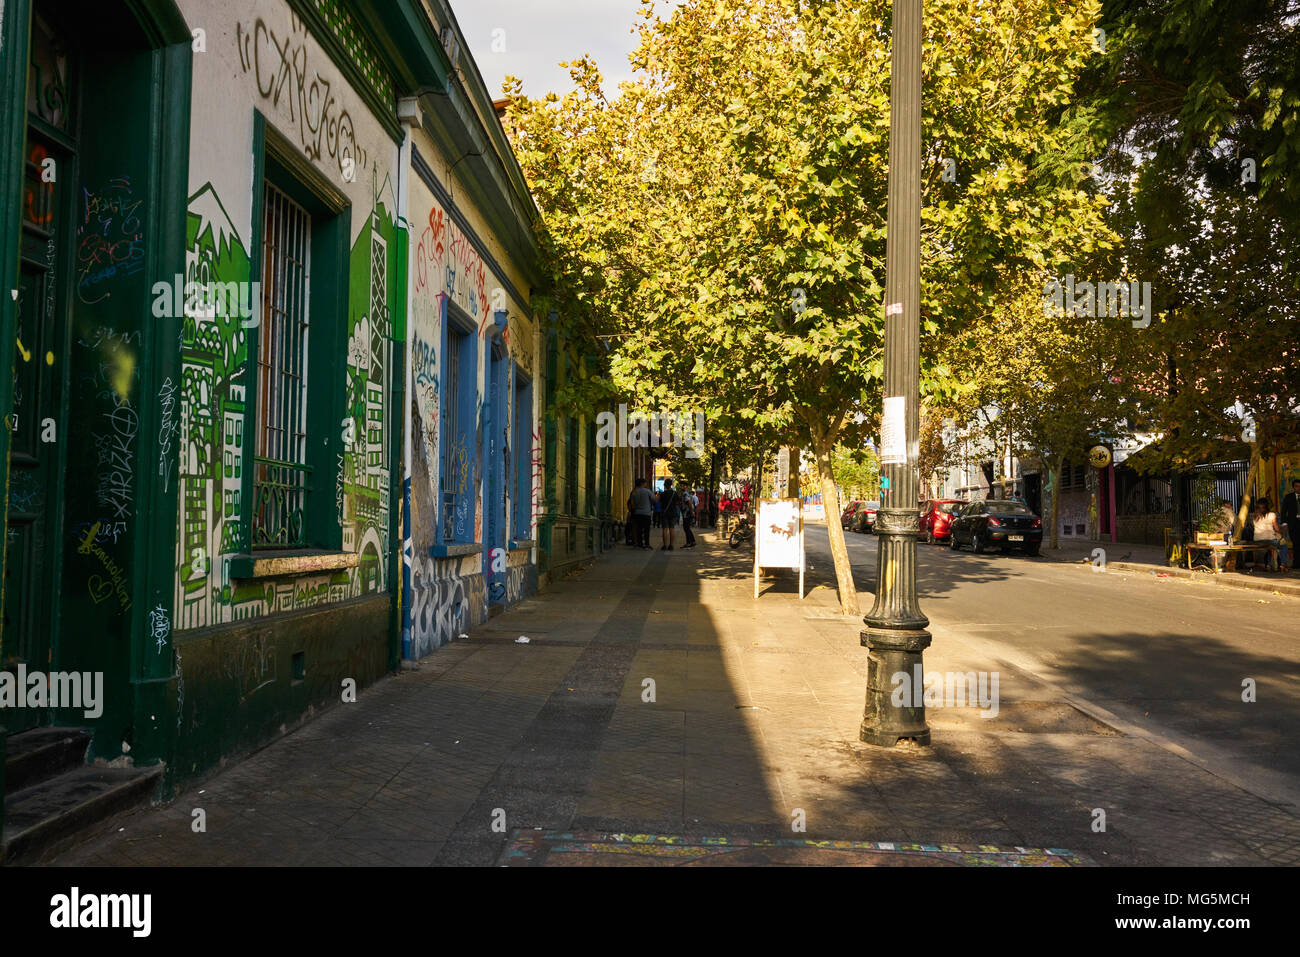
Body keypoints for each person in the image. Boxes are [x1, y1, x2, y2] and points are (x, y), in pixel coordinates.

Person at [1251, 499, 1287, 572]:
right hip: (1269, 539)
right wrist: (1281, 534)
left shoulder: (1254, 516)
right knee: (1284, 546)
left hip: (1257, 540)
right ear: (1267, 506)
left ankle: (1268, 565)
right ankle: (1283, 564)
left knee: (1270, 548)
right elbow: (1276, 529)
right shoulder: (1271, 514)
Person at [630, 477, 654, 549]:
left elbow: (632, 504)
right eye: (645, 483)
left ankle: (639, 543)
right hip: (646, 513)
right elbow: (654, 499)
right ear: (642, 484)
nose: (646, 484)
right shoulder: (647, 491)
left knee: (639, 529)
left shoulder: (634, 491)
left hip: (637, 513)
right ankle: (647, 544)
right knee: (647, 529)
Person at [659, 478, 681, 550]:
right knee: (672, 528)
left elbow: (660, 502)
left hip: (664, 513)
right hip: (673, 512)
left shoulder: (662, 494)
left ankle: (664, 545)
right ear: (671, 485)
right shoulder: (675, 493)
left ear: (665, 485)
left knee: (664, 529)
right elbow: (678, 502)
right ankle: (671, 545)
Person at [1282, 480, 1300, 560]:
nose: (1299, 488)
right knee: (1295, 543)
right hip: (1293, 523)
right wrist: (1284, 523)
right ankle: (1296, 563)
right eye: (1296, 486)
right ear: (1293, 487)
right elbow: (1284, 511)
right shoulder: (1288, 497)